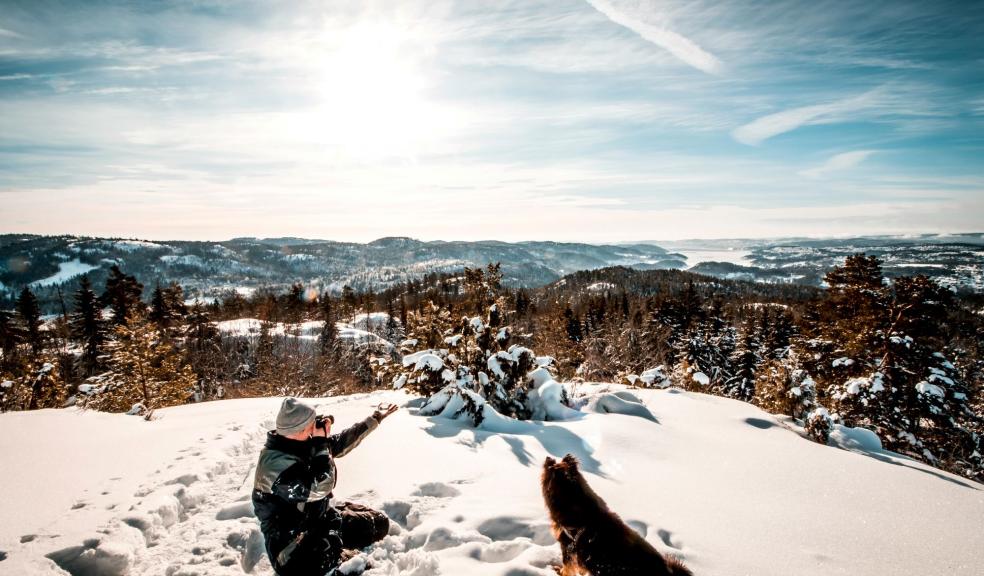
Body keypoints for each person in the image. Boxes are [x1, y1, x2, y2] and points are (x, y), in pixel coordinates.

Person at [252, 397, 398, 575]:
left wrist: (375, 419)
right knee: (357, 570)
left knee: (379, 523)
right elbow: (322, 485)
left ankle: (338, 547)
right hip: (292, 550)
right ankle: (336, 561)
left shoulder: (299, 442)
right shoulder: (274, 468)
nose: (316, 427)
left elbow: (340, 442)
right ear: (301, 429)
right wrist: (320, 443)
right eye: (312, 424)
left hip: (320, 520)